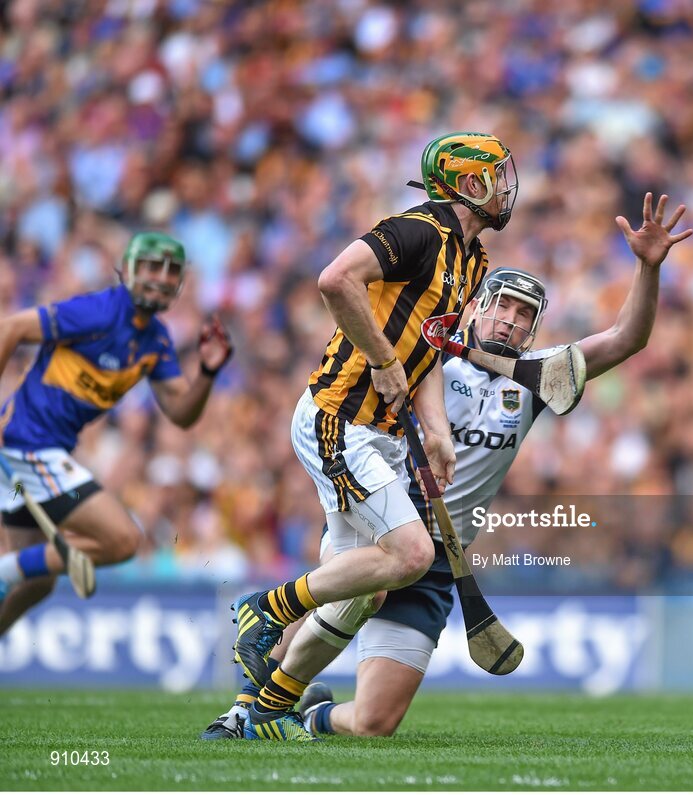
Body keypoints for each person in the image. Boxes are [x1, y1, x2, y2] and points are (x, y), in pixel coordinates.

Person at [203, 192, 690, 741]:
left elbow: (628, 338)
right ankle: (249, 710)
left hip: (440, 563)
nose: (509, 321)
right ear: (476, 305)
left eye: (524, 315)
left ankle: (307, 716)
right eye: (502, 305)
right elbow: (366, 330)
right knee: (356, 587)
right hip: (382, 514)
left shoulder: (534, 379)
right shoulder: (426, 351)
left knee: (373, 724)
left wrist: (647, 268)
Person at [229, 132, 516, 742]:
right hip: (340, 417)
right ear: (469, 184)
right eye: (497, 175)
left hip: (384, 432)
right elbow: (336, 280)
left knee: (367, 589)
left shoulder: (473, 260)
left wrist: (437, 430)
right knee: (410, 557)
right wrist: (383, 358)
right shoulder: (417, 231)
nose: (508, 186)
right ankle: (268, 608)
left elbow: (431, 350)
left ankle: (262, 709)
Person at [0, 232, 233, 635]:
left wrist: (208, 373)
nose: (160, 278)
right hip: (27, 445)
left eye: (171, 270)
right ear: (125, 269)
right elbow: (12, 328)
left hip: (42, 455)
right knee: (123, 540)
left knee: (38, 581)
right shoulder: (97, 311)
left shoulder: (155, 340)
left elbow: (180, 412)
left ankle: (10, 570)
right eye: (150, 266)